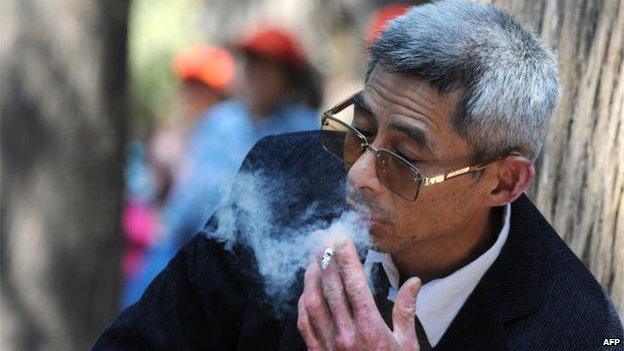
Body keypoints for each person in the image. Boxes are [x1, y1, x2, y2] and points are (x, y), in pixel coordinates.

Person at [94, 1, 623, 350]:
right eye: (361, 130)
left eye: (405, 158)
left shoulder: (574, 331)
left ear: (503, 182)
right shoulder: (284, 182)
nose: (360, 176)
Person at [124, 28, 321, 306]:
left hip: (269, 263)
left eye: (265, 67)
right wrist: (169, 227)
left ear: (287, 78)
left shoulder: (304, 127)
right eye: (250, 65)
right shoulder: (220, 122)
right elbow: (193, 192)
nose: (254, 75)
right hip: (203, 247)